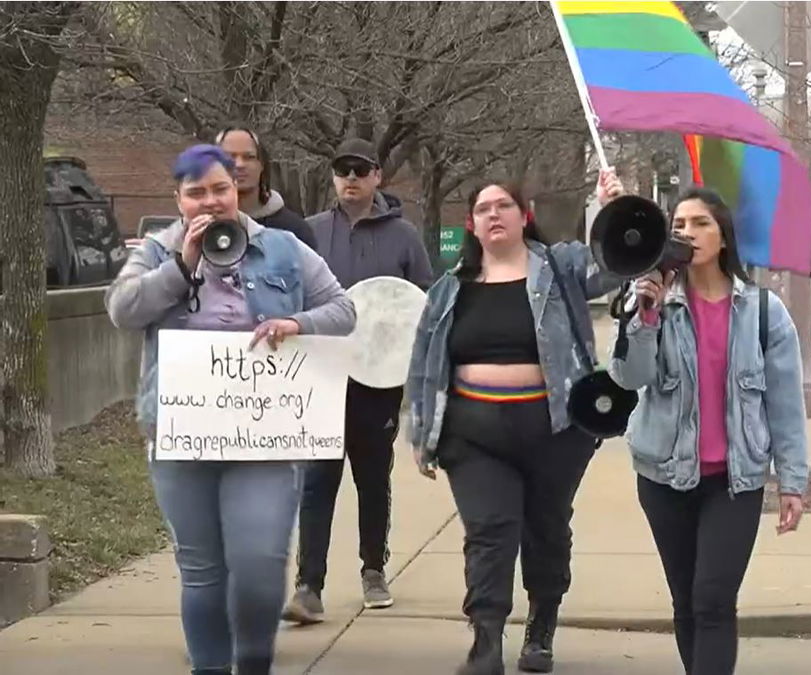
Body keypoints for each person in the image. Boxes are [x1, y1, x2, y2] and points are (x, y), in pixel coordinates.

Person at [104, 145, 355, 675]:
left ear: (236, 188)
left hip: (264, 436)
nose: (210, 201)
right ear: (179, 200)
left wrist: (299, 324)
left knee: (260, 563)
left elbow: (344, 309)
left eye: (219, 189)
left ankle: (254, 661)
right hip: (180, 434)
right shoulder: (157, 250)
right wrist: (181, 265)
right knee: (202, 569)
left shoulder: (283, 248)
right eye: (196, 193)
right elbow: (122, 310)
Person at [407, 172, 625, 675]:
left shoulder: (561, 267)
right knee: (489, 531)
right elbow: (424, 362)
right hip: (473, 431)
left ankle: (541, 626)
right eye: (483, 209)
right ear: (472, 225)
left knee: (546, 528)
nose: (493, 215)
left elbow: (613, 269)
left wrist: (613, 211)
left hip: (555, 428)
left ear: (523, 215)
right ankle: (485, 643)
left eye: (503, 205)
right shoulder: (449, 289)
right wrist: (422, 434)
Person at [607, 187, 808, 675]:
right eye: (678, 225)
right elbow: (629, 379)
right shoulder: (654, 303)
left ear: (723, 238)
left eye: (701, 224)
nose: (688, 234)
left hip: (734, 480)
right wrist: (645, 316)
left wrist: (792, 481)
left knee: (714, 598)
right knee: (686, 601)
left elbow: (785, 402)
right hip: (664, 477)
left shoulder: (763, 311)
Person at [283, 138, 435, 623]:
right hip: (323, 376)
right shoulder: (310, 232)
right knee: (317, 481)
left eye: (360, 170)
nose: (350, 177)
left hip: (379, 380)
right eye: (342, 169)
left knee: (372, 479)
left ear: (377, 177)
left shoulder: (404, 237)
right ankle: (309, 584)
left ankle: (373, 570)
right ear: (333, 176)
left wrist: (412, 361)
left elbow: (423, 305)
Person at [215, 126, 317, 250]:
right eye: (230, 157)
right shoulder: (200, 227)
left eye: (249, 157)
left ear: (262, 165)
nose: (239, 164)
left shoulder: (293, 230)